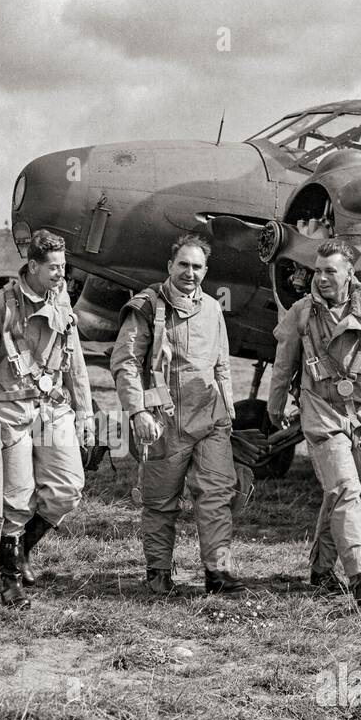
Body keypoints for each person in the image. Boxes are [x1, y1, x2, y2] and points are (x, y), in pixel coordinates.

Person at [0, 230, 96, 608]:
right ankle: (11, 579)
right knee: (17, 499)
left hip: (52, 410)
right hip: (10, 413)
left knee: (67, 490)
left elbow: (76, 362)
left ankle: (21, 550)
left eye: (63, 267)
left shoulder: (62, 303)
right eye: (53, 267)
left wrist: (84, 412)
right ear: (33, 266)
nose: (60, 274)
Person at [265, 239, 361, 606]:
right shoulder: (301, 312)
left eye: (330, 271)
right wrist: (275, 407)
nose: (321, 278)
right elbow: (284, 364)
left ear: (349, 274)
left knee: (339, 492)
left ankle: (322, 569)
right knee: (345, 489)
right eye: (318, 270)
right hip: (321, 413)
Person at [110, 232, 245, 596]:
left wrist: (228, 411)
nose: (190, 272)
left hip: (210, 419)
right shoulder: (146, 307)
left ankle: (218, 572)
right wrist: (137, 411)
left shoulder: (214, 310)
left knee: (217, 493)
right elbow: (125, 362)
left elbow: (222, 365)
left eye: (197, 266)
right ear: (170, 266)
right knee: (160, 502)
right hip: (163, 422)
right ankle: (158, 572)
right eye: (183, 264)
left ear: (206, 270)